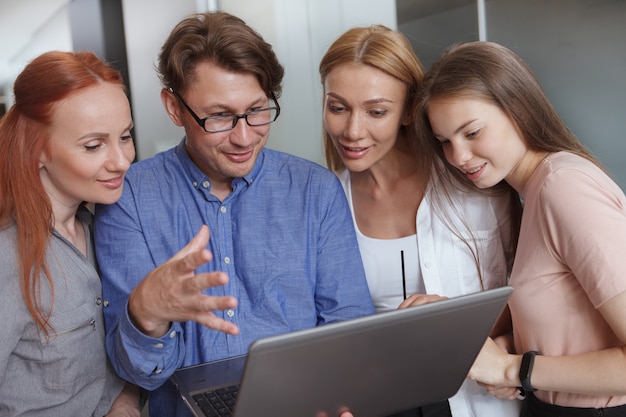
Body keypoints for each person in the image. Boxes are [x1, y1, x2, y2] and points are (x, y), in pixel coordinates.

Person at [93, 11, 375, 417]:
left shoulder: (315, 192)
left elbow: (349, 332)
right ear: (174, 108)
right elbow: (139, 374)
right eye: (220, 116)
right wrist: (146, 315)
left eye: (258, 110)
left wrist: (339, 395)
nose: (244, 137)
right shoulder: (128, 198)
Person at [319, 25, 522, 417]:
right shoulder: (325, 203)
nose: (352, 131)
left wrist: (452, 323)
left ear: (410, 110)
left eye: (377, 111)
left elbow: (531, 291)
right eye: (338, 106)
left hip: (478, 399)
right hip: (376, 402)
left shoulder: (475, 178)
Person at [417, 40, 626, 416]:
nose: (457, 157)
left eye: (472, 132)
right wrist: (509, 349)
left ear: (520, 109)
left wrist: (512, 368)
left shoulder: (562, 187)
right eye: (444, 142)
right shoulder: (533, 194)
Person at [0, 51, 140, 416]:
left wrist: (124, 399)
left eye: (125, 136)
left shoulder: (104, 229)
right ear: (38, 150)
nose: (122, 160)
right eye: (94, 145)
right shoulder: (6, 255)